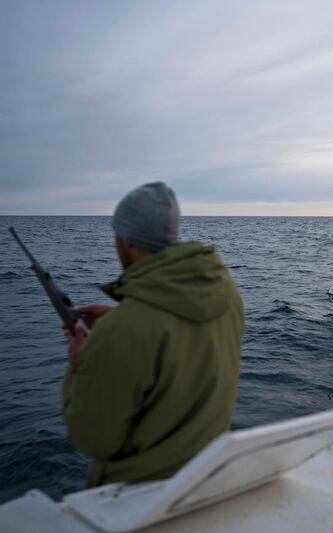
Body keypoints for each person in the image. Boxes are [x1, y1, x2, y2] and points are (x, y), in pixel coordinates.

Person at [62, 182, 244, 487]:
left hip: (141, 490)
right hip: (206, 473)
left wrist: (81, 361)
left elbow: (93, 441)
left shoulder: (121, 330)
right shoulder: (227, 295)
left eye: (117, 232)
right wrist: (120, 320)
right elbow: (183, 339)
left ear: (127, 241)